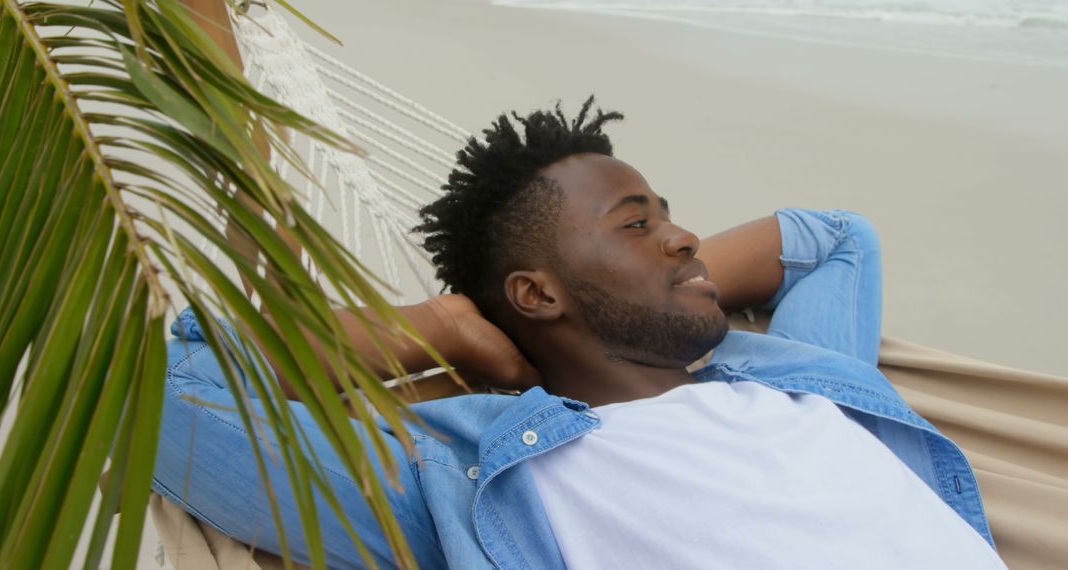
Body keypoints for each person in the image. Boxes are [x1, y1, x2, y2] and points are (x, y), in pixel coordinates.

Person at [154, 98, 1007, 568]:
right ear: (536, 293)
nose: (683, 238)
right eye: (637, 225)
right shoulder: (480, 482)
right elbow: (156, 388)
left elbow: (833, 238)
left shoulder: (800, 381)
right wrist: (442, 329)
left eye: (674, 220)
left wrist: (668, 283)